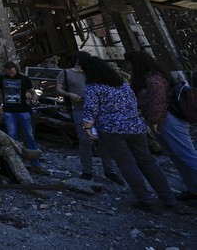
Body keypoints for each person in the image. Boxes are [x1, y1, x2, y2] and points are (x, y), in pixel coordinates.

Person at [79, 55, 178, 211]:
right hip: (135, 128)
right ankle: (169, 199)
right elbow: (134, 104)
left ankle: (145, 201)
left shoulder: (94, 88)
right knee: (148, 162)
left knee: (127, 165)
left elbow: (90, 111)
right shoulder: (123, 85)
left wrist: (87, 128)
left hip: (111, 131)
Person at [126, 50, 197, 202]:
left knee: (187, 155)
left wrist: (155, 121)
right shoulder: (150, 77)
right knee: (176, 156)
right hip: (161, 120)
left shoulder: (154, 78)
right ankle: (193, 189)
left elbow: (159, 100)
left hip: (167, 120)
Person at [56, 52, 123, 185]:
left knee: (104, 139)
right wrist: (70, 95)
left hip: (99, 110)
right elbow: (59, 89)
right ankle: (87, 171)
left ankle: (110, 171)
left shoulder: (92, 73)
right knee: (86, 140)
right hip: (80, 109)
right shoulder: (66, 73)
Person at [0, 61, 49, 175]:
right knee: (12, 138)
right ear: (6, 71)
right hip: (9, 111)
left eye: (13, 72)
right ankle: (16, 166)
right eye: (9, 73)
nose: (11, 74)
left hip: (24, 111)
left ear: (16, 70)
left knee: (29, 136)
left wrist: (34, 101)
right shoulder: (2, 78)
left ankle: (36, 165)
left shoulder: (24, 79)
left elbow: (33, 93)